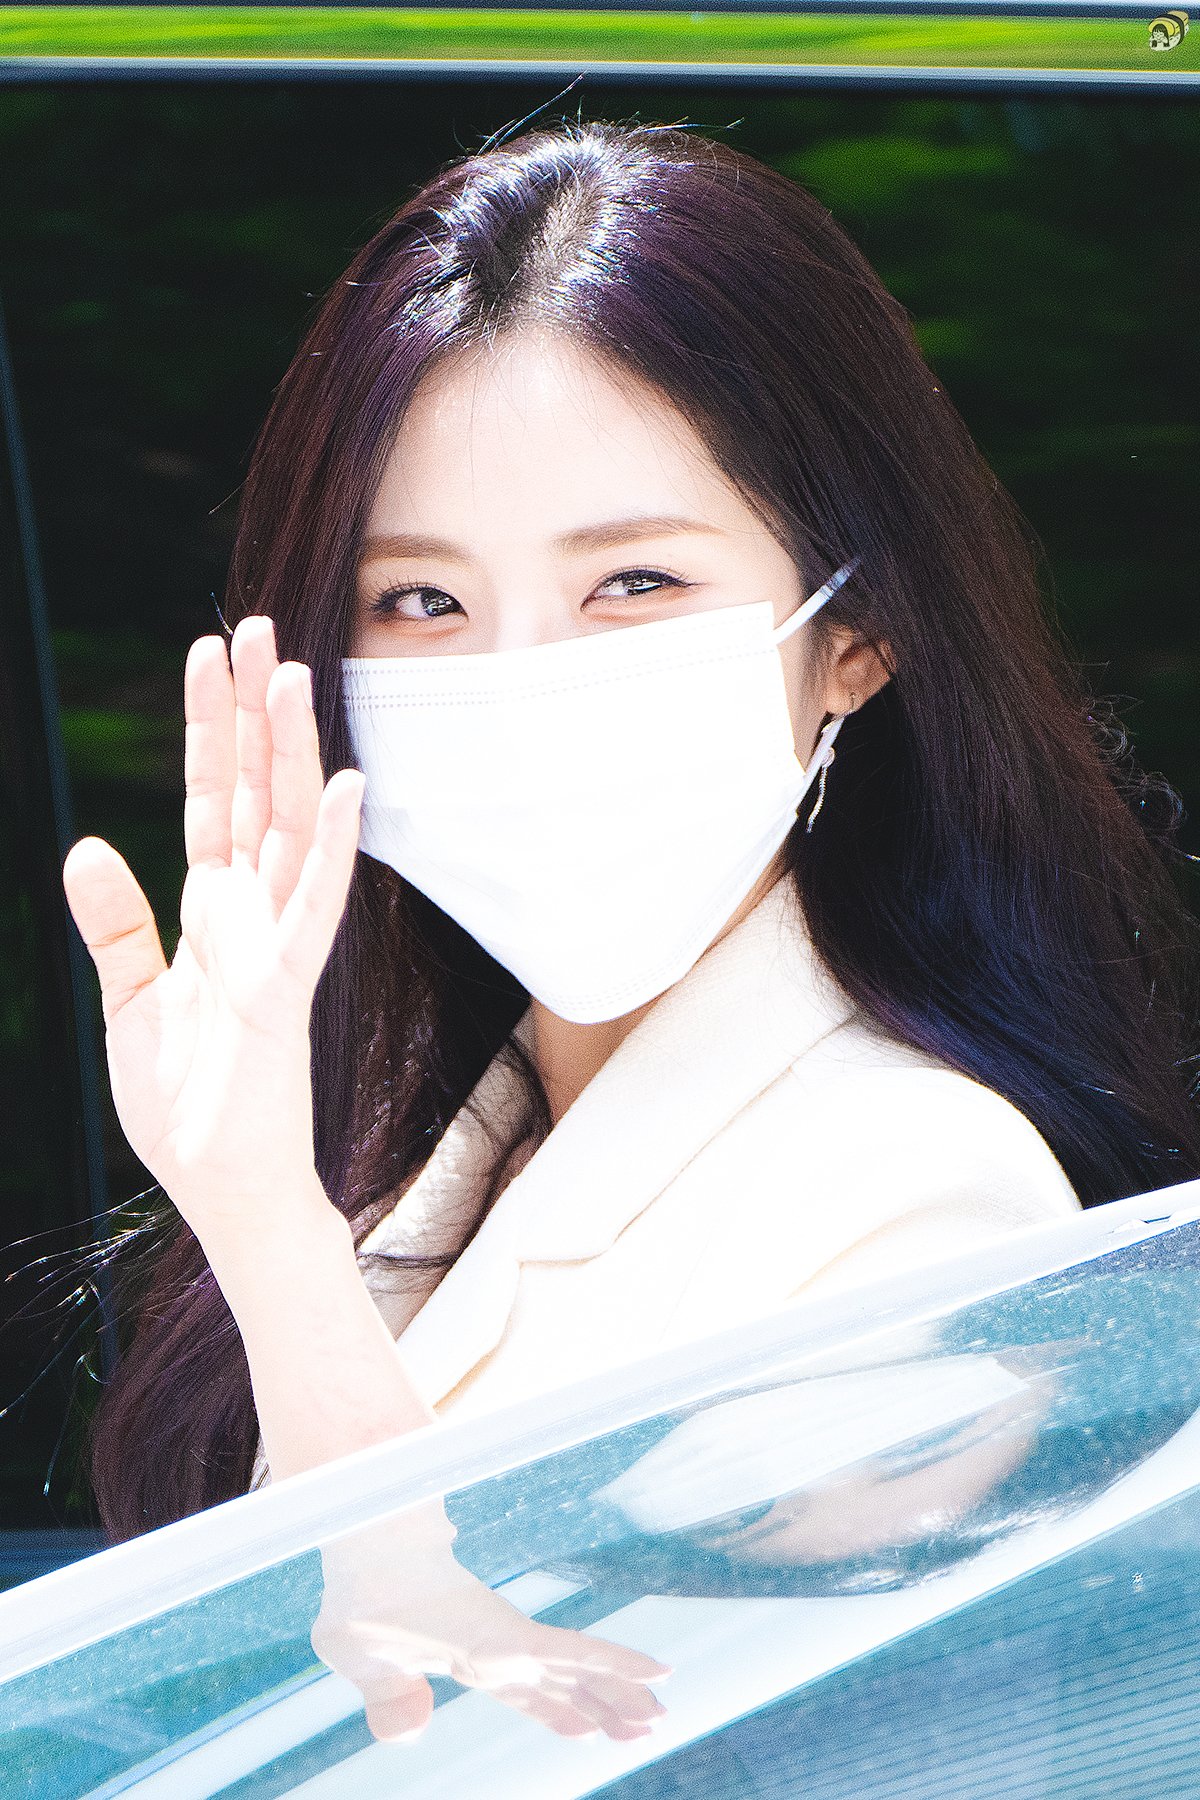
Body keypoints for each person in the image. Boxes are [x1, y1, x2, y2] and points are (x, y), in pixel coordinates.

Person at [60, 115, 1200, 1734]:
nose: (522, 684)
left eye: (636, 585)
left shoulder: (915, 1196)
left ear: (855, 637)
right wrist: (255, 1200)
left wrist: (275, 1241)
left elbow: (518, 1737)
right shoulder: (438, 1140)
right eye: (423, 602)